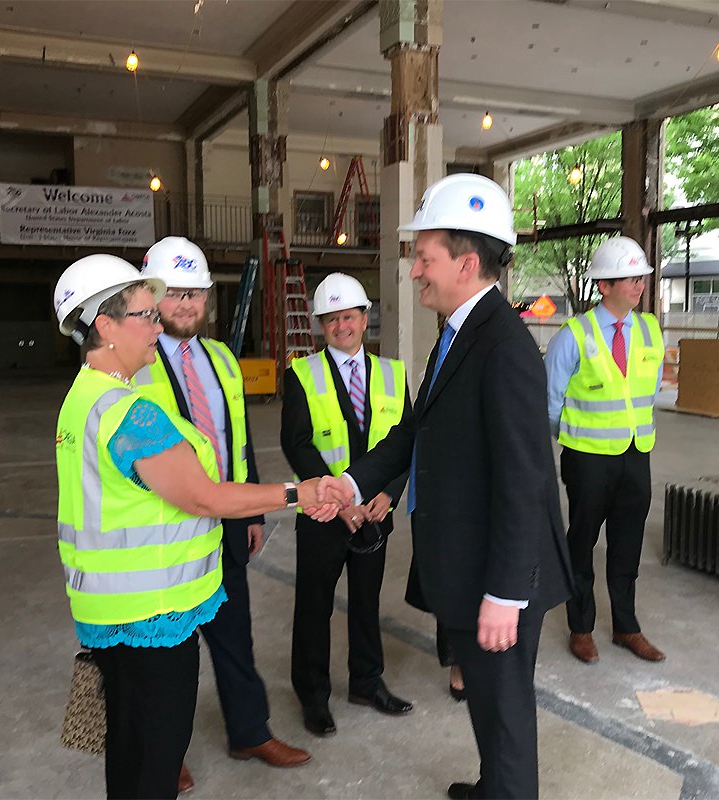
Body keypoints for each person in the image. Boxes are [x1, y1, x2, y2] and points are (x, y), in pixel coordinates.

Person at [53, 256, 343, 800]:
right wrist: (297, 493)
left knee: (130, 747)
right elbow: (203, 496)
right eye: (145, 315)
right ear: (104, 325)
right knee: (155, 758)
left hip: (110, 612)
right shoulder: (129, 414)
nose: (158, 325)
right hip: (152, 615)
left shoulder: (82, 399)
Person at [328, 174, 573, 800]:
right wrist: (351, 481)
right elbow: (414, 432)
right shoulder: (457, 332)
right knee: (488, 706)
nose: (414, 272)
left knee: (505, 713)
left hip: (495, 577)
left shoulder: (504, 347)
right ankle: (495, 787)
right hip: (466, 565)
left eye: (424, 257)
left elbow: (525, 481)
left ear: (466, 263)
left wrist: (505, 594)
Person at [136, 237, 310, 787]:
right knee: (169, 654)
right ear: (153, 298)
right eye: (175, 294)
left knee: (235, 636)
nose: (187, 305)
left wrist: (251, 513)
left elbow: (238, 444)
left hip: (225, 526)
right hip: (167, 534)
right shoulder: (135, 368)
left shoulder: (222, 360)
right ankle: (166, 751)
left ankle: (250, 731)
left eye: (197, 294)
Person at [280, 272, 413, 737]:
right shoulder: (300, 374)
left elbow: (405, 440)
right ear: (321, 325)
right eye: (332, 319)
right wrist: (339, 501)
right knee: (314, 606)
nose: (342, 326)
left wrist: (387, 493)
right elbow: (297, 444)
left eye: (349, 316)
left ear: (364, 318)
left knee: (366, 601)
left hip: (375, 511)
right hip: (323, 514)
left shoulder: (394, 374)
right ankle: (313, 696)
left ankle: (366, 681)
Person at [544, 236, 666, 666]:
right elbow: (549, 403)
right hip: (587, 457)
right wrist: (578, 435)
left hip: (636, 454)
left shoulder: (650, 329)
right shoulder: (573, 335)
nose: (640, 287)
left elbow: (648, 391)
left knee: (627, 544)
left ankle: (626, 627)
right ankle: (581, 628)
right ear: (605, 286)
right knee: (581, 543)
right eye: (632, 279)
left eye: (642, 279)